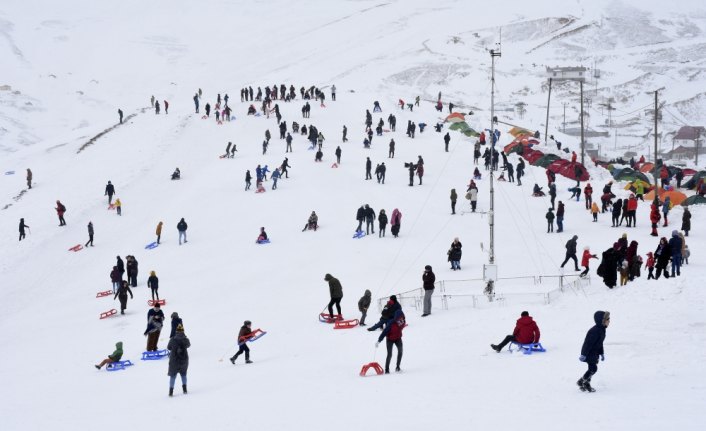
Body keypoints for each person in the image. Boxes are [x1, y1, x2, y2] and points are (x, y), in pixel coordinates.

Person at [578, 311, 610, 392]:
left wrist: (601, 353)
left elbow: (600, 343)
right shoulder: (595, 331)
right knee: (593, 368)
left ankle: (584, 382)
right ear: (602, 320)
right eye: (607, 319)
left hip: (594, 353)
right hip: (589, 353)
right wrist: (584, 354)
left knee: (591, 368)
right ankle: (583, 382)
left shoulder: (602, 330)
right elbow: (588, 343)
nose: (609, 321)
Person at [376, 307, 406, 373]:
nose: (401, 320)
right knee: (389, 354)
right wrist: (379, 340)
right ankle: (387, 369)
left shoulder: (402, 321)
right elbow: (384, 332)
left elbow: (402, 323)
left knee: (400, 351)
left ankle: (398, 367)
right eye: (399, 318)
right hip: (390, 339)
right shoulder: (391, 323)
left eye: (401, 318)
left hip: (398, 338)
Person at [167, 324, 190, 396]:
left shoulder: (172, 339)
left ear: (176, 331)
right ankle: (185, 389)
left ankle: (171, 392)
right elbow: (189, 345)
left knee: (173, 376)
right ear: (183, 331)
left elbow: (169, 347)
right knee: (183, 375)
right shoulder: (186, 340)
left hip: (174, 360)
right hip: (184, 360)